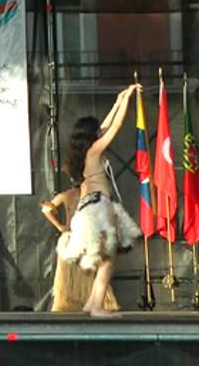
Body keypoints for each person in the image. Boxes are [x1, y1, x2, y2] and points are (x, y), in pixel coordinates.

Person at [57, 84, 143, 317]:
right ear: (92, 136)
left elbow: (104, 127)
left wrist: (117, 101)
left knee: (106, 257)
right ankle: (96, 306)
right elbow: (115, 126)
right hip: (98, 207)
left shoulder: (83, 153)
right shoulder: (94, 151)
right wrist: (128, 100)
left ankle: (92, 303)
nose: (101, 133)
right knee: (107, 259)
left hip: (87, 209)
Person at [42, 174, 119, 312]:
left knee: (77, 275)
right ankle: (89, 301)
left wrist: (59, 226)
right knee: (87, 273)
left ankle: (77, 301)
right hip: (84, 237)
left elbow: (45, 209)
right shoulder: (89, 197)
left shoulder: (67, 195)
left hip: (74, 237)